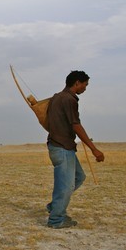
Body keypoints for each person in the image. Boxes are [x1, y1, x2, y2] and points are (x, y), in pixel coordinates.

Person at [45, 70, 105, 229]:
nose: (85, 88)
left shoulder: (56, 97)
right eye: (85, 85)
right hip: (62, 148)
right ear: (77, 82)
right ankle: (56, 220)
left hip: (59, 146)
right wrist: (94, 149)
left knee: (79, 177)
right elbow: (76, 125)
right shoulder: (69, 99)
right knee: (65, 186)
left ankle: (54, 206)